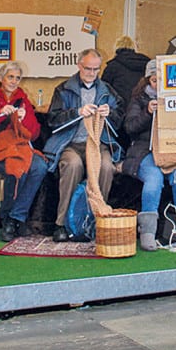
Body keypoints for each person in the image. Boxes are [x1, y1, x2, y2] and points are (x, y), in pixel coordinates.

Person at [43, 50, 123, 242]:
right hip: (70, 143)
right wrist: (77, 112)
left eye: (96, 69)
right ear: (79, 65)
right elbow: (53, 121)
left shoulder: (107, 91)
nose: (92, 73)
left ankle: (98, 219)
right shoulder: (63, 89)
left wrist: (109, 113)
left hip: (98, 143)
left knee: (105, 166)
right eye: (88, 68)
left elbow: (120, 120)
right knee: (72, 165)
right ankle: (61, 224)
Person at [123, 59, 176, 251]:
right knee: (154, 179)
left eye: (162, 81)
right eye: (155, 80)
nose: (158, 85)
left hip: (170, 151)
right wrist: (147, 113)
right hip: (144, 152)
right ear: (148, 80)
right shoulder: (138, 99)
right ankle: (147, 233)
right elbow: (130, 127)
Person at [0, 63, 47, 241]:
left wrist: (24, 118)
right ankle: (10, 220)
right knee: (16, 167)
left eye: (17, 78)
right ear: (1, 78)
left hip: (20, 148)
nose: (14, 81)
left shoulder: (24, 100)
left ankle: (14, 218)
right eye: (10, 77)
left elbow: (34, 133)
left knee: (40, 167)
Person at [101, 35, 151, 112]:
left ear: (116, 47)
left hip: (119, 110)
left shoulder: (112, 66)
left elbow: (103, 90)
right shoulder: (146, 64)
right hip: (141, 110)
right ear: (134, 47)